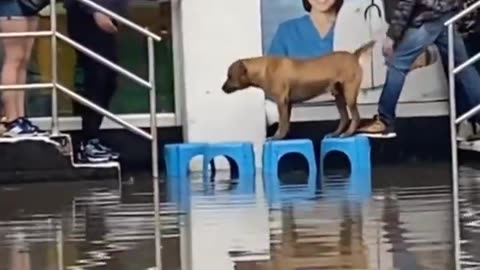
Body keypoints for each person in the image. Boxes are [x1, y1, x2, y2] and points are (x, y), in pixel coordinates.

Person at [357, 0, 480, 137]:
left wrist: (392, 35)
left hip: (426, 18)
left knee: (397, 64)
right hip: (447, 16)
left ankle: (385, 121)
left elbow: (406, 3)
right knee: (464, 69)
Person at [64, 0, 127, 162]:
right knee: (97, 76)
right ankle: (89, 141)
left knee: (108, 78)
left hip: (103, 11)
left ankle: (92, 139)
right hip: (88, 14)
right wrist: (94, 9)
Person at [0, 1, 42, 137]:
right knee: (14, 59)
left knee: (23, 61)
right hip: (10, 6)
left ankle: (20, 117)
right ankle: (12, 119)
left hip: (30, 6)